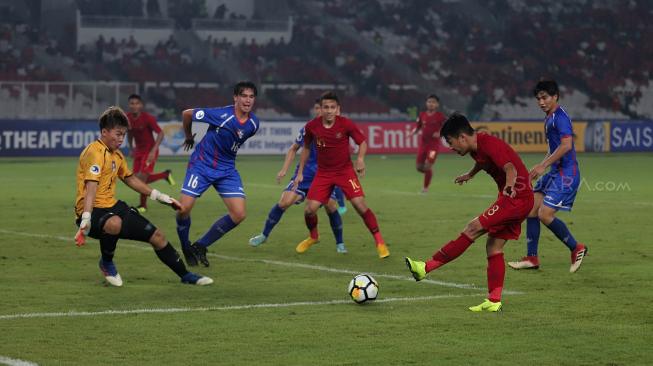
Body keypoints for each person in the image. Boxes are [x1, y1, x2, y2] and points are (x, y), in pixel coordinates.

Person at [405, 113, 533, 312]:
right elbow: (483, 161)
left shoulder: (489, 143)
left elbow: (510, 169)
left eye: (451, 142)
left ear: (462, 137)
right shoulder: (476, 147)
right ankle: (493, 301)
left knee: (473, 228)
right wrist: (470, 174)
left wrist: (508, 189)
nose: (451, 147)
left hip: (515, 197)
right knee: (493, 247)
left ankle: (425, 268)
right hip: (517, 198)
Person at [74, 106, 212, 287]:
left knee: (157, 236)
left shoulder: (117, 155)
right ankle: (107, 263)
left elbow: (130, 179)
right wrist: (86, 217)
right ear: (104, 132)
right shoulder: (95, 152)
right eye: (117, 134)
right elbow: (91, 186)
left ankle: (185, 275)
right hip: (91, 210)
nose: (121, 139)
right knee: (114, 223)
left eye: (123, 134)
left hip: (112, 206)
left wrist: (161, 197)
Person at [293, 92, 390, 259]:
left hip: (345, 172)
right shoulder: (312, 126)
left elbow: (362, 142)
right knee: (309, 210)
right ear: (321, 109)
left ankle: (380, 242)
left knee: (359, 205)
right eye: (326, 107)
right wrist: (300, 172)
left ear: (338, 109)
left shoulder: (345, 124)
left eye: (332, 107)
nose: (329, 111)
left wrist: (360, 159)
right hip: (323, 173)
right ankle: (313, 237)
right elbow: (307, 148)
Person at [176, 81, 260, 267]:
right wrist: (189, 137)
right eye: (244, 96)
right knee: (184, 209)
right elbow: (187, 113)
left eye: (251, 96)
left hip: (226, 170)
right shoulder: (221, 114)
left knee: (239, 214)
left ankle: (200, 245)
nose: (247, 100)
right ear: (235, 98)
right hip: (202, 165)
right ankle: (185, 246)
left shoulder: (254, 124)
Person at [508, 80, 588, 273]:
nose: (541, 102)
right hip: (555, 172)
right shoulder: (549, 118)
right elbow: (554, 149)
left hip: (567, 174)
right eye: (538, 99)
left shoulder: (560, 118)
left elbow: (567, 145)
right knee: (532, 209)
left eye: (545, 98)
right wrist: (540, 167)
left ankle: (577, 248)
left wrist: (543, 165)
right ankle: (531, 258)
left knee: (545, 214)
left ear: (555, 97)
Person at [249, 99, 347, 253]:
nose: (319, 111)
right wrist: (284, 170)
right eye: (317, 108)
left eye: (322, 108)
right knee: (284, 202)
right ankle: (264, 235)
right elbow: (293, 149)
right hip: (304, 175)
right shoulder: (309, 128)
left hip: (324, 176)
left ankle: (340, 244)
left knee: (330, 205)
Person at [125, 94, 174, 213]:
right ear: (129, 105)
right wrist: (132, 148)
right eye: (132, 103)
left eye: (137, 103)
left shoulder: (148, 118)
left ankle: (143, 206)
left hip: (150, 151)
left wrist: (153, 151)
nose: (134, 106)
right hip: (139, 152)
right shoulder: (127, 118)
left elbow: (161, 133)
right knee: (135, 179)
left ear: (141, 105)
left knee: (141, 180)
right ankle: (165, 175)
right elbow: (130, 133)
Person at [409, 94, 446, 193]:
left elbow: (447, 127)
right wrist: (412, 133)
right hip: (423, 145)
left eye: (433, 102)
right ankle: (429, 173)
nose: (431, 104)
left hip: (433, 146)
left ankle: (425, 188)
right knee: (419, 167)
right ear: (426, 103)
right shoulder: (422, 115)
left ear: (437, 104)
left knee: (427, 165)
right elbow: (418, 126)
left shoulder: (440, 116)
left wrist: (440, 133)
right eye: (429, 102)